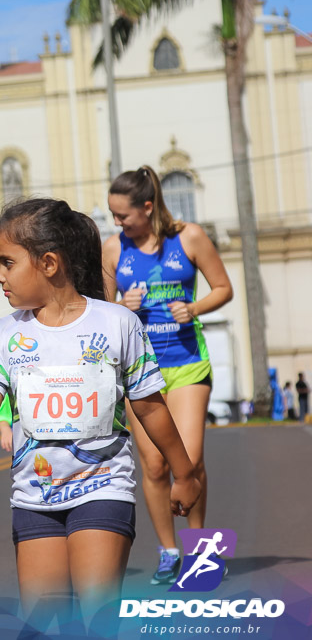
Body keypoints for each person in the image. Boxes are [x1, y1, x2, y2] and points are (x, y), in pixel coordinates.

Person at [0, 198, 201, 621]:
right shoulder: (4, 334)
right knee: (43, 624)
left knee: (96, 619)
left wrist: (184, 473)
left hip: (103, 488)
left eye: (7, 263)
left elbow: (150, 406)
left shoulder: (117, 323)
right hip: (34, 498)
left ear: (48, 263)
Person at [103, 166, 232, 585]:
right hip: (140, 369)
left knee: (189, 462)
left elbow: (222, 287)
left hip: (187, 364)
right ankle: (168, 551)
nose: (117, 223)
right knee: (155, 466)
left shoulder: (188, 236)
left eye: (123, 215)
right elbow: (101, 312)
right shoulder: (112, 248)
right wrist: (123, 303)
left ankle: (201, 551)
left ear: (147, 206)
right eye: (113, 215)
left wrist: (194, 308)